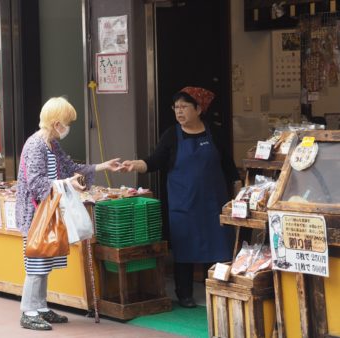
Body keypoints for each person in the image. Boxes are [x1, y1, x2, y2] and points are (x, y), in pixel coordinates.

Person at [120, 87, 241, 308]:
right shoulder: (171, 135)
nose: (179, 111)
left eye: (184, 106)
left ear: (198, 109)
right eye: (176, 107)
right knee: (185, 250)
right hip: (184, 204)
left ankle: (217, 290)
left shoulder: (214, 132)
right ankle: (184, 294)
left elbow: (228, 166)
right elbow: (155, 160)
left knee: (218, 248)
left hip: (214, 204)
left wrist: (238, 192)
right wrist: (135, 165)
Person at [16, 97, 120, 330]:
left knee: (44, 262)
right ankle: (28, 311)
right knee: (36, 264)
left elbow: (72, 169)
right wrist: (67, 184)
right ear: (56, 123)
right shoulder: (36, 145)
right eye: (67, 122)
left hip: (48, 212)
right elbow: (36, 183)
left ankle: (40, 307)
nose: (68, 127)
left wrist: (102, 166)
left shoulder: (52, 144)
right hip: (34, 214)